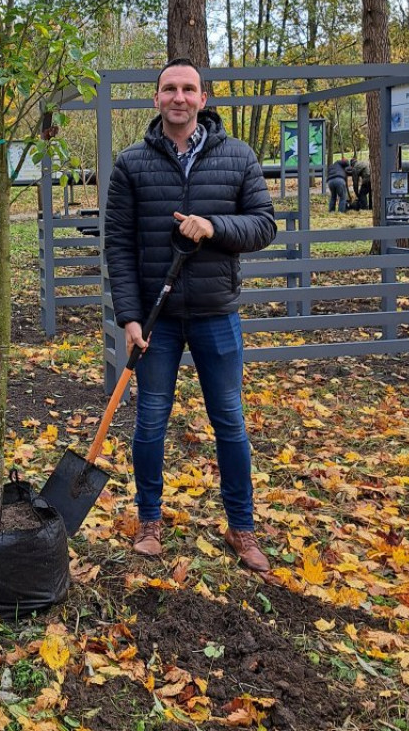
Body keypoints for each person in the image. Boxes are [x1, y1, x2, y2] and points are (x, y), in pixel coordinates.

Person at [103, 57, 277, 571]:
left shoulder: (239, 157)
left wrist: (215, 226)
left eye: (189, 89)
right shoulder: (131, 164)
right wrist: (129, 318)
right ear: (156, 99)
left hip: (215, 312)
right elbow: (118, 244)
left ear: (204, 99)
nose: (179, 97)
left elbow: (264, 225)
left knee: (229, 422)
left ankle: (242, 529)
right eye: (169, 89)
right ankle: (149, 522)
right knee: (151, 422)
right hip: (155, 321)